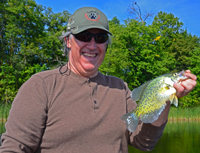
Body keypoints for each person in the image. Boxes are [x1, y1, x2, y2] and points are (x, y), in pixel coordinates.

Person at [0, 7, 197, 153]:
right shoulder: (41, 85)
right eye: (84, 36)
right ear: (68, 41)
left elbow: (144, 142)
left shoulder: (120, 88)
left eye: (100, 37)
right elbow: (14, 147)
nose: (92, 45)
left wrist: (166, 98)